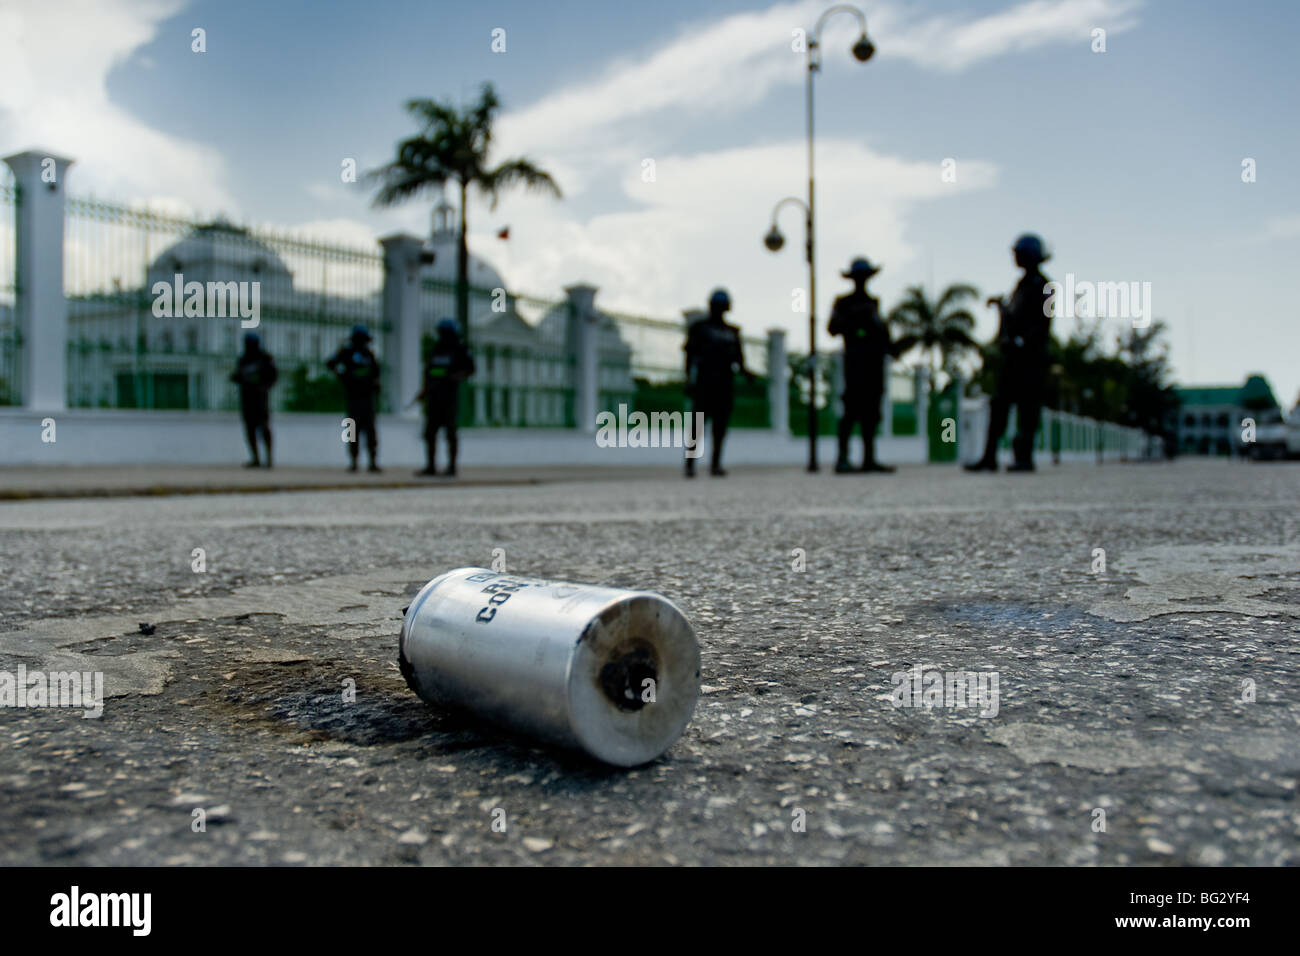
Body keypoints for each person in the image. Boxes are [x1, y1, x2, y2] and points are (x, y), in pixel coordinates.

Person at [965, 234, 1054, 473]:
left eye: (1019, 253)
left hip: (1031, 358)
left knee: (1028, 408)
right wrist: (1001, 309)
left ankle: (1024, 457)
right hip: (1013, 358)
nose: (1015, 257)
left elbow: (1044, 323)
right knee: (1000, 405)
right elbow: (1013, 319)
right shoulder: (1020, 287)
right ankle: (989, 456)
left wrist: (1021, 341)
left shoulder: (1045, 287)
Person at [828, 257, 914, 473]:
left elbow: (882, 335)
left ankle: (869, 459)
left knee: (871, 414)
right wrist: (856, 320)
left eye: (865, 277)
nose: (861, 281)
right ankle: (842, 459)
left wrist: (889, 343)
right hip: (855, 363)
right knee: (850, 412)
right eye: (858, 277)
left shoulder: (874, 302)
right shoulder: (843, 302)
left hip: (873, 364)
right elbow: (833, 328)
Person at [684, 288, 753, 477]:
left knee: (720, 427)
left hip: (725, 384)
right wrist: (688, 379)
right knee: (697, 427)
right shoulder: (699, 328)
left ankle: (715, 464)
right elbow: (690, 356)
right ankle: (690, 464)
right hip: (704, 382)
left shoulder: (732, 332)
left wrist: (747, 373)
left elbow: (739, 360)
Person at [414, 318, 475, 478]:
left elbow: (470, 369)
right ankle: (430, 466)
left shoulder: (460, 349)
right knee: (430, 433)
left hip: (449, 399)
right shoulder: (436, 350)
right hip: (433, 398)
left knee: (450, 433)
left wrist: (455, 377)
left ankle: (452, 467)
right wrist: (424, 390)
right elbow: (428, 372)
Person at [328, 324, 382, 472]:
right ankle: (354, 461)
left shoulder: (369, 354)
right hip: (353, 398)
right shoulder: (346, 352)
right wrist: (343, 375)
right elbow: (331, 363)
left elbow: (376, 373)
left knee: (370, 431)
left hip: (367, 399)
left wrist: (376, 386)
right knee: (352, 431)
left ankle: (372, 461)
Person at [230, 331, 277, 468]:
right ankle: (255, 458)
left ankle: (268, 459)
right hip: (247, 398)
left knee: (264, 428)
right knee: (250, 429)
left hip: (260, 399)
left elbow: (273, 376)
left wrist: (264, 386)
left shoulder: (265, 358)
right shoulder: (243, 359)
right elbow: (237, 375)